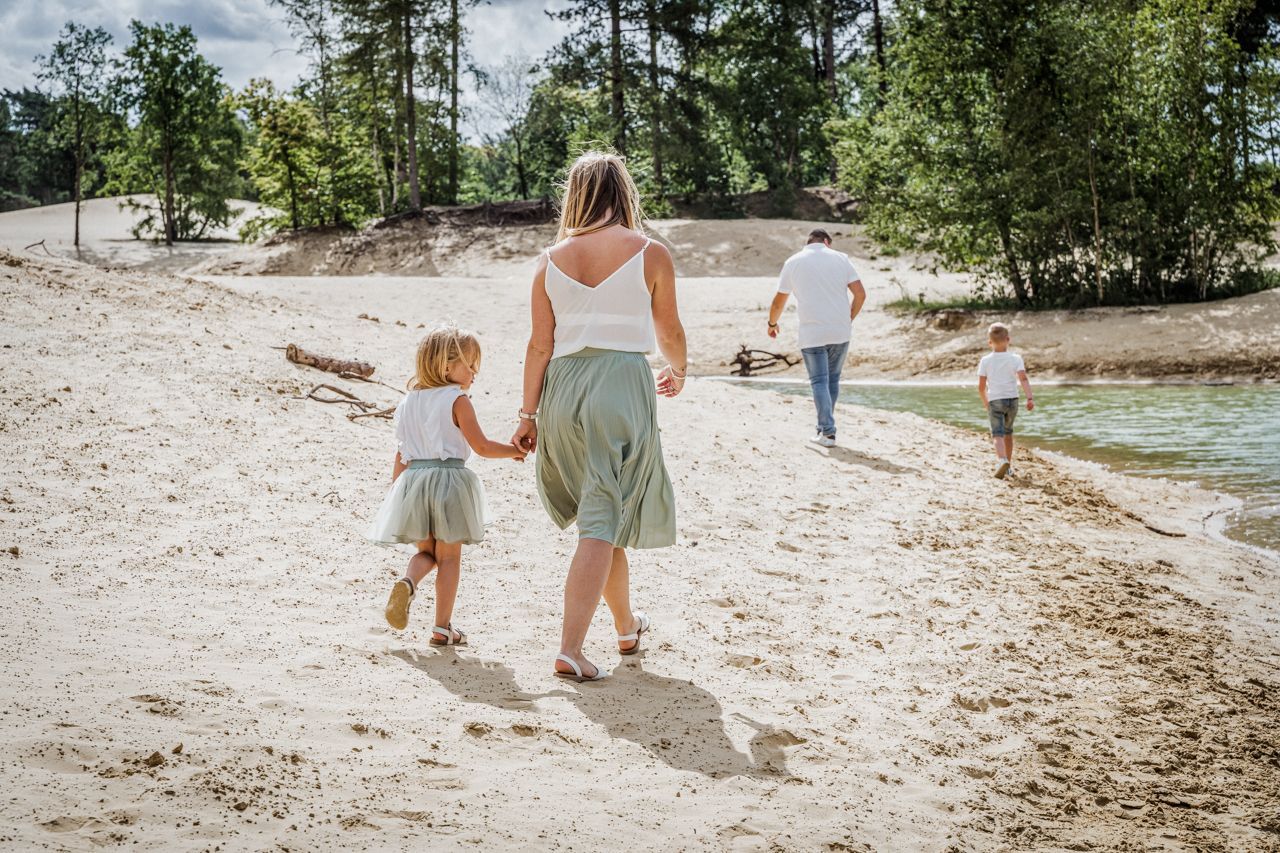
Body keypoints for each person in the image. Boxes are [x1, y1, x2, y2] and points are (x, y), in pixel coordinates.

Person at [512, 151, 686, 684]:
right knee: (600, 519)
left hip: (562, 390)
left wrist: (527, 414)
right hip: (619, 385)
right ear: (623, 193)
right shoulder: (649, 253)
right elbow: (670, 332)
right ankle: (569, 648)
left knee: (601, 511)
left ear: (577, 194)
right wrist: (679, 370)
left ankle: (627, 627)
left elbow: (539, 346)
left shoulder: (549, 260)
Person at [369, 326, 527, 643]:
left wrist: (398, 494)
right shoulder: (458, 400)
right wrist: (515, 451)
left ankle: (409, 582)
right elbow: (480, 446)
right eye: (470, 366)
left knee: (426, 553)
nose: (474, 374)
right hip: (449, 481)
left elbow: (401, 454)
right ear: (446, 367)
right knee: (450, 558)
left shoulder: (407, 403)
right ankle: (442, 628)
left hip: (414, 483)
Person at [767, 229, 866, 447]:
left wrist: (772, 324)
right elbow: (860, 294)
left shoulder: (793, 261)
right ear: (827, 242)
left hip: (812, 332)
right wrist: (848, 318)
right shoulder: (841, 258)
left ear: (808, 242)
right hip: (840, 330)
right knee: (832, 379)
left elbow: (778, 301)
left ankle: (827, 432)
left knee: (819, 381)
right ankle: (824, 429)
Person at [976, 322, 1035, 479]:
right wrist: (1029, 397)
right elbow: (1023, 378)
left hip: (995, 399)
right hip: (1012, 400)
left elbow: (981, 387)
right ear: (1008, 339)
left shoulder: (985, 361)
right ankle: (1008, 466)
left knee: (997, 435)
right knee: (1008, 433)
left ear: (989, 342)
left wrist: (986, 403)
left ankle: (1002, 460)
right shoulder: (1016, 358)